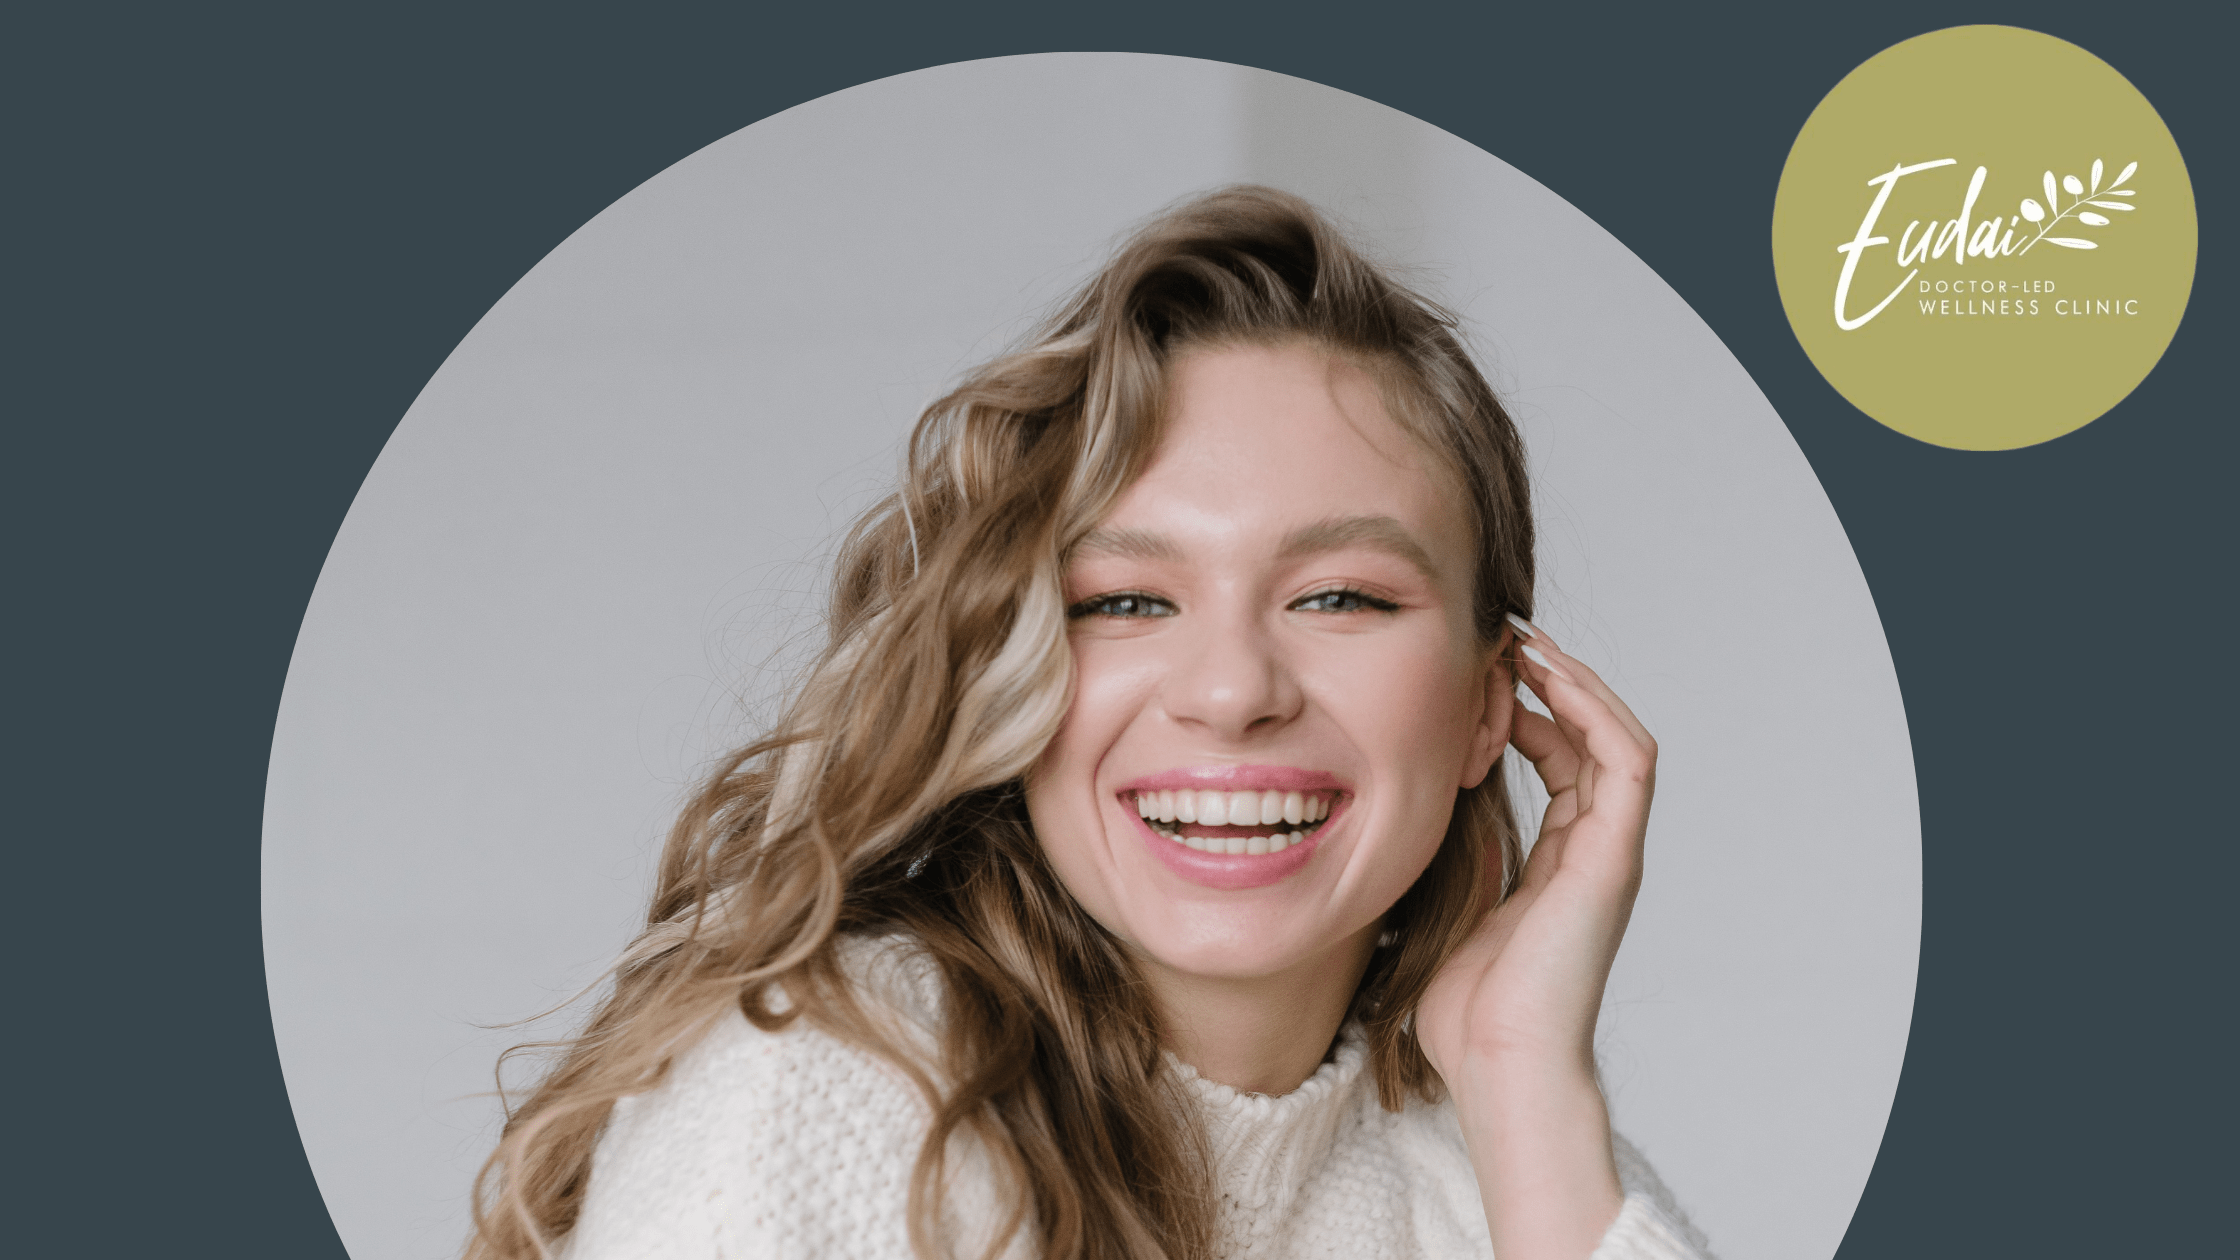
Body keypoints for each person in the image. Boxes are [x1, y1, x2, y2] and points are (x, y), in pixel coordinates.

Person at [468, 186, 1713, 1260]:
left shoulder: (1507, 1158)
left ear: (1491, 704)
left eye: (1338, 596)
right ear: (1010, 664)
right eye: (1123, 599)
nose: (1231, 691)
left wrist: (1520, 1082)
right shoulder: (825, 1087)